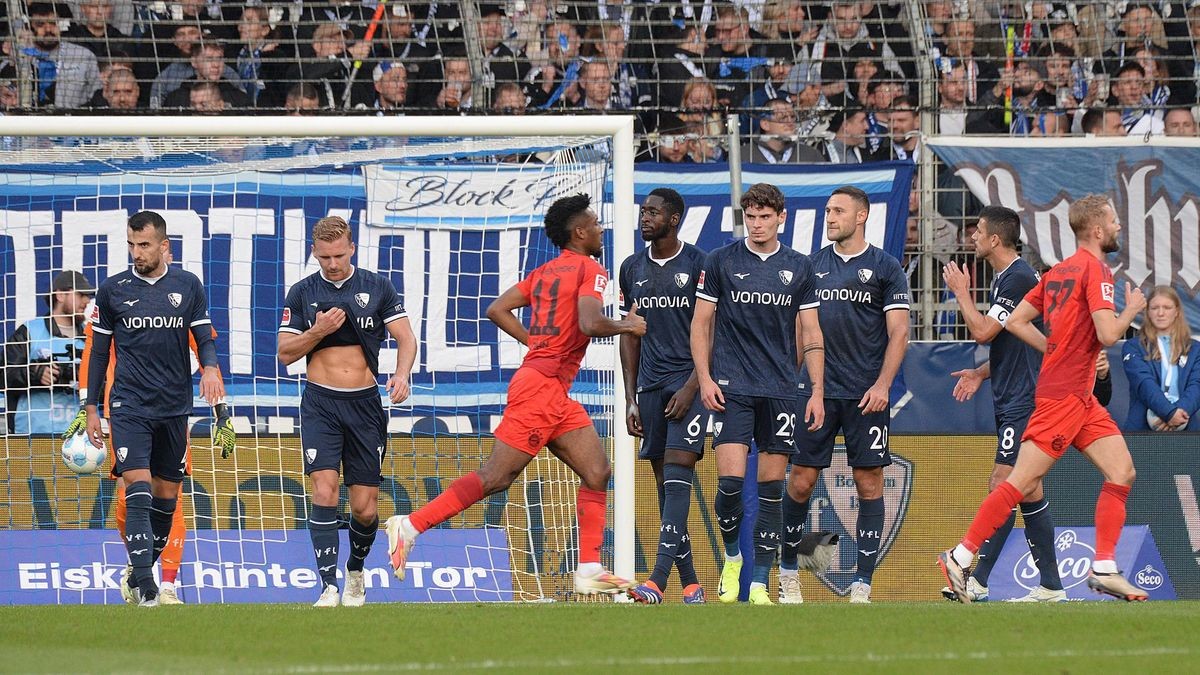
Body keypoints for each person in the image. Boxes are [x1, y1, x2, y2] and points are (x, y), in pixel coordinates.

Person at [384, 194, 646, 596]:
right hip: (540, 390)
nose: (599, 229)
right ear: (578, 233)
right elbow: (590, 323)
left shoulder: (544, 273)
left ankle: (589, 567)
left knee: (597, 471)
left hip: (551, 388)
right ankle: (411, 525)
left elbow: (496, 308)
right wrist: (628, 327)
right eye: (594, 224)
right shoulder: (592, 269)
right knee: (496, 477)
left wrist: (535, 344)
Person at [939, 194, 1150, 603]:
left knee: (1122, 472)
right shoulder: (1098, 271)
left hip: (1078, 396)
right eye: (1114, 220)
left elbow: (1016, 321)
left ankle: (1104, 567)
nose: (1119, 226)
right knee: (1018, 482)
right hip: (1063, 396)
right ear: (1097, 229)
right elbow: (1108, 335)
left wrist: (1053, 350)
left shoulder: (1057, 274)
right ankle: (961, 555)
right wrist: (1132, 310)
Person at [66, 248, 231, 606]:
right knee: (131, 497)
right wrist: (88, 404)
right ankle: (144, 576)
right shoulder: (114, 294)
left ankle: (163, 582)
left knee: (170, 500)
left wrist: (221, 411)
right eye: (133, 245)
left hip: (171, 407)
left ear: (164, 248)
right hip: (125, 408)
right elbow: (93, 350)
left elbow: (203, 344)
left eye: (146, 245)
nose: (138, 253)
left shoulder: (182, 290)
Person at [691, 182, 825, 605]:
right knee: (729, 486)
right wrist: (706, 378)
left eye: (765, 217)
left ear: (780, 218)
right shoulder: (721, 261)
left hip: (781, 392)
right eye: (750, 217)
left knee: (771, 491)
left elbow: (811, 331)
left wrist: (814, 389)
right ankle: (732, 559)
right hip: (732, 388)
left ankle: (759, 582)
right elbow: (701, 324)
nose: (757, 224)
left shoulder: (800, 267)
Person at [277, 216, 417, 607]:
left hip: (365, 405)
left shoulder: (376, 287)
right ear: (314, 252)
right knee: (324, 488)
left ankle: (355, 571)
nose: (333, 264)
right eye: (324, 257)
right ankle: (327, 586)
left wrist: (402, 374)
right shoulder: (302, 293)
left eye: (339, 255)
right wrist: (318, 331)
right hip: (320, 403)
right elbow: (285, 354)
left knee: (365, 507)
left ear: (352, 248)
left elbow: (406, 338)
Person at [782, 186, 909, 605]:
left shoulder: (886, 267)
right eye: (827, 210)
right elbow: (801, 333)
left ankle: (862, 583)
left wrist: (883, 384)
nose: (830, 217)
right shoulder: (811, 266)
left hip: (865, 395)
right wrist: (790, 383)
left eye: (838, 210)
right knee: (801, 482)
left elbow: (898, 332)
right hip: (815, 393)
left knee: (868, 483)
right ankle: (791, 575)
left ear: (862, 216)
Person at [941, 206, 1065, 603]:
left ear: (995, 239)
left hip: (1026, 400)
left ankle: (976, 578)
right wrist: (981, 373)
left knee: (1005, 484)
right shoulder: (1006, 280)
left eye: (977, 231)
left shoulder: (1018, 279)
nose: (972, 237)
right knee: (1025, 490)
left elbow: (982, 332)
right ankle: (1050, 586)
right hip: (1013, 394)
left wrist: (961, 292)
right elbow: (1014, 348)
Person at [619, 189, 708, 605]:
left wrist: (694, 385)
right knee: (665, 485)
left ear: (674, 220)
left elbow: (713, 332)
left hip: (688, 384)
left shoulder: (699, 264)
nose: (645, 218)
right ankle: (691, 584)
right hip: (651, 388)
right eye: (643, 212)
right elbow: (629, 335)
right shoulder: (631, 268)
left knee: (677, 476)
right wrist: (631, 397)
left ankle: (656, 581)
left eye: (654, 212)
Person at [3, 271, 93, 434]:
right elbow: (3, 374)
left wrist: (86, 379)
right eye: (81, 294)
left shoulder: (90, 338)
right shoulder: (29, 331)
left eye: (89, 295)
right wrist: (36, 373)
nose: (87, 301)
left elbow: (110, 387)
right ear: (60, 295)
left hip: (80, 440)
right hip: (30, 435)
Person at [1121, 286, 1200, 432]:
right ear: (1148, 312)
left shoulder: (1195, 349)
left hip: (1186, 428)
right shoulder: (1133, 347)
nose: (1161, 313)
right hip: (1141, 431)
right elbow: (1144, 384)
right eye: (1155, 308)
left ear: (1177, 311)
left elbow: (1197, 385)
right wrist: (1169, 413)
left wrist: (1178, 414)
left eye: (1167, 307)